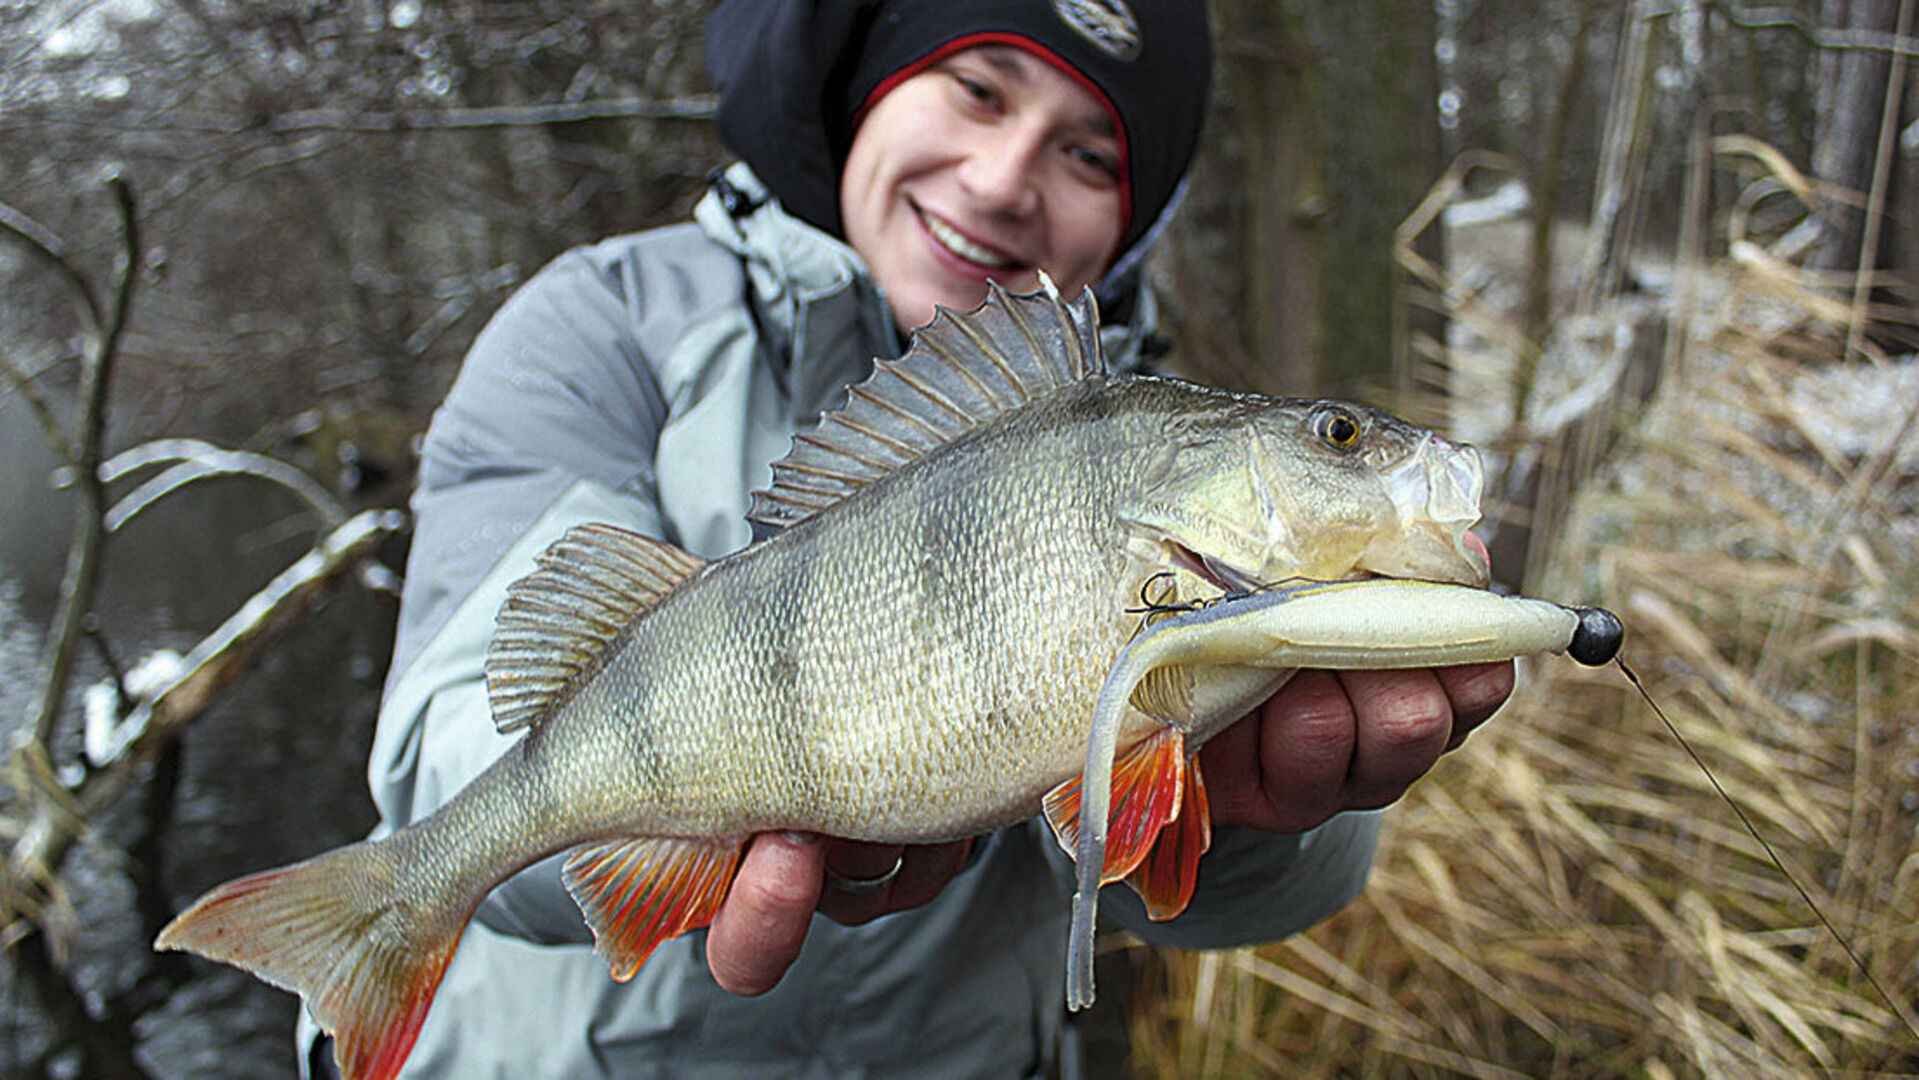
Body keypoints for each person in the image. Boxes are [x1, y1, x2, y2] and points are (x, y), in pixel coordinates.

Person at [305, 1, 1515, 1075]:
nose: (1000, 179)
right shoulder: (603, 324)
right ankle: (386, 911)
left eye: (1087, 151)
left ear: (1130, 213)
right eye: (977, 88)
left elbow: (1210, 886)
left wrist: (1258, 818)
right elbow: (440, 750)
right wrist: (554, 833)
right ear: (866, 86)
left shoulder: (1156, 451)